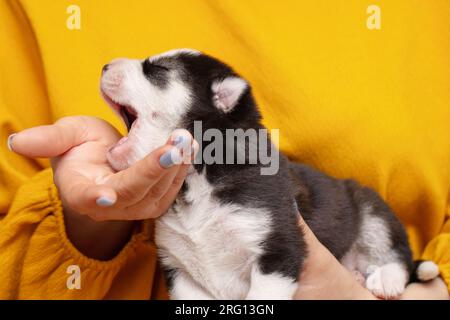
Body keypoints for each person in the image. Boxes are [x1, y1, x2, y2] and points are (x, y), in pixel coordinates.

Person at [0, 0, 449, 299]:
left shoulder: (254, 180)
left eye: (155, 73)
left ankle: (397, 262)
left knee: (362, 205)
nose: (120, 69)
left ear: (221, 101)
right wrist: (88, 220)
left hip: (369, 265)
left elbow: (276, 262)